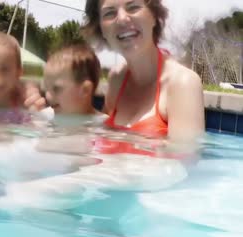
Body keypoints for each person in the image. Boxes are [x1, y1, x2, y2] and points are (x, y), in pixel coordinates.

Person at [84, 0, 204, 142]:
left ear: (154, 16)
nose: (122, 19)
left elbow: (186, 161)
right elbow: (102, 137)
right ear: (101, 29)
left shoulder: (182, 84)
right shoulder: (116, 79)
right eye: (109, 13)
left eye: (133, 7)